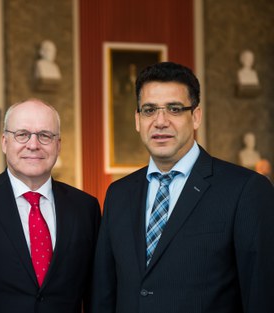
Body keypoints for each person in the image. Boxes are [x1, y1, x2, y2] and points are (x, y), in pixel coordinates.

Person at [91, 62, 274, 313]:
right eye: (149, 110)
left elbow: (261, 295)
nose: (160, 121)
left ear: (196, 116)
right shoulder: (118, 194)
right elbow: (104, 295)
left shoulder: (246, 190)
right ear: (137, 120)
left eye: (174, 109)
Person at [0, 99, 101, 313]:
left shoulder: (85, 208)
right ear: (5, 142)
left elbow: (96, 293)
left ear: (58, 145)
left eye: (45, 135)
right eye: (22, 134)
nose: (33, 145)